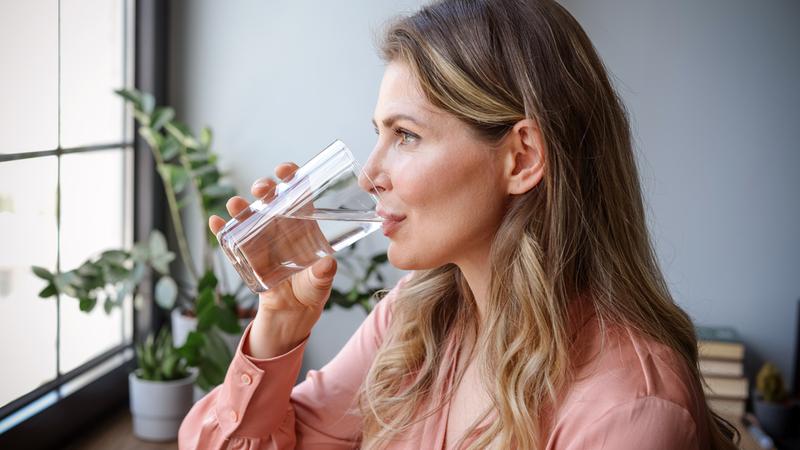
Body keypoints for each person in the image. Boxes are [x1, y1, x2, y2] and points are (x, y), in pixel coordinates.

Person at [180, 0, 740, 448]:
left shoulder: (628, 414)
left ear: (520, 158)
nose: (370, 174)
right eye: (378, 133)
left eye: (406, 135)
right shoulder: (413, 318)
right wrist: (281, 322)